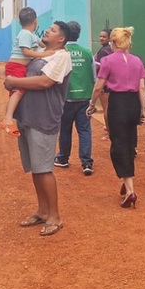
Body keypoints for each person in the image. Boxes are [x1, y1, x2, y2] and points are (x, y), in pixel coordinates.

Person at [4, 21, 73, 236]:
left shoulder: (62, 56)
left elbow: (45, 82)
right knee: (36, 167)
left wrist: (15, 81)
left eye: (52, 31)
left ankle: (55, 216)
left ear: (61, 39)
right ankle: (43, 210)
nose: (47, 32)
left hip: (44, 117)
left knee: (44, 168)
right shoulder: (41, 53)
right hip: (27, 115)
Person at [88, 27, 145, 209]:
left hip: (118, 104)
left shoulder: (108, 60)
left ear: (113, 43)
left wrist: (92, 104)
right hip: (133, 104)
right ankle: (125, 181)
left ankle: (130, 189)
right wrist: (142, 110)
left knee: (118, 146)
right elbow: (142, 88)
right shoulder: (137, 61)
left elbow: (98, 87)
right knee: (129, 143)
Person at [1, 7, 52, 136]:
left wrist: (56, 49)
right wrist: (43, 54)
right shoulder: (24, 34)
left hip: (20, 67)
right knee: (19, 91)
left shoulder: (32, 35)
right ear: (36, 21)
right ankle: (7, 119)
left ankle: (13, 116)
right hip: (15, 66)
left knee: (17, 92)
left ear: (19, 22)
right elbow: (26, 52)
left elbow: (43, 45)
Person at [53, 21, 95, 175]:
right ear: (79, 34)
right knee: (84, 130)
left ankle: (63, 158)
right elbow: (94, 77)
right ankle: (86, 163)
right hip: (85, 97)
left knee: (65, 129)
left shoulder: (61, 53)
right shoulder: (87, 52)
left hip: (66, 98)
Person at [94, 29, 113, 140]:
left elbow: (98, 66)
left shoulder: (104, 51)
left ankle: (109, 133)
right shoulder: (109, 49)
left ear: (109, 38)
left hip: (104, 83)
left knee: (106, 108)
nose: (101, 38)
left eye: (104, 37)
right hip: (109, 82)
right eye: (100, 36)